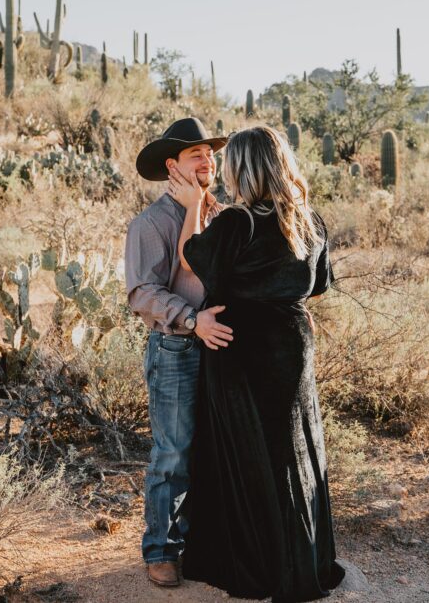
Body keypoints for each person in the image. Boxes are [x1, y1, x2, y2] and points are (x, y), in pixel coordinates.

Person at [168, 125, 346, 601]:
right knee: (295, 448)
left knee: (247, 453)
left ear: (243, 168)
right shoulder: (311, 221)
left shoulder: (236, 223)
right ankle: (303, 557)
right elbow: (319, 285)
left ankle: (259, 563)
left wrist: (191, 209)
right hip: (292, 343)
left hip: (238, 347)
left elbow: (192, 259)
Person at [124, 117, 235, 588]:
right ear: (172, 166)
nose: (207, 158)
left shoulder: (222, 214)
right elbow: (141, 293)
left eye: (210, 152)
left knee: (216, 450)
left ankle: (205, 544)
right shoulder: (151, 223)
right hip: (176, 348)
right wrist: (193, 319)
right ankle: (161, 550)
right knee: (173, 453)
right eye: (195, 153)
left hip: (224, 348)